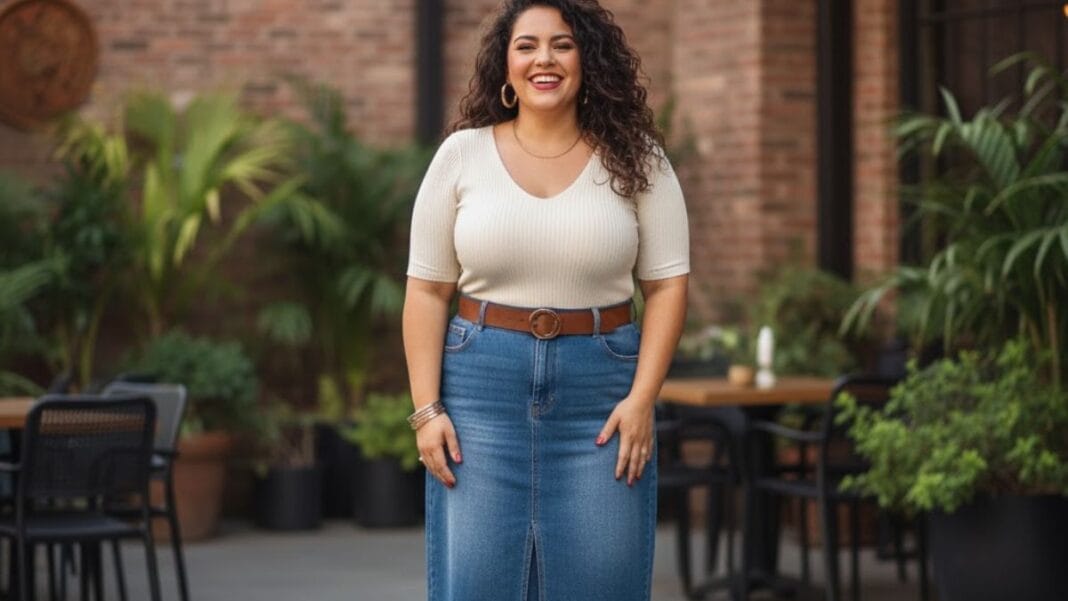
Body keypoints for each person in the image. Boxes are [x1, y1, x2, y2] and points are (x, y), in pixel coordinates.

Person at [402, 1, 689, 599]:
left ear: (588, 59)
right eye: (527, 45)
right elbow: (427, 291)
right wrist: (427, 411)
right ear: (505, 67)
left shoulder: (637, 158)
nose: (545, 59)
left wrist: (642, 400)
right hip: (481, 391)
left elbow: (666, 287)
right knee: (478, 584)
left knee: (601, 583)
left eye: (562, 44)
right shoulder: (461, 156)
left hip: (601, 396)